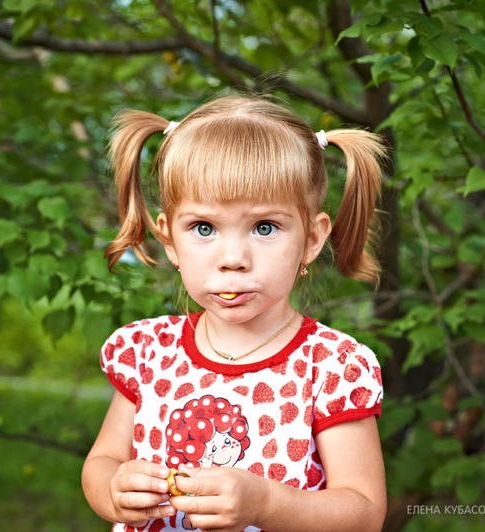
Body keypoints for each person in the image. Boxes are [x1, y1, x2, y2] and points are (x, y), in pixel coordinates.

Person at [82, 94, 388, 532]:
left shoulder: (331, 368)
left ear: (312, 239)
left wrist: (266, 503)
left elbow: (364, 513)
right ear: (169, 241)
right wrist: (114, 490)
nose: (233, 259)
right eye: (203, 228)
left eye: (265, 227)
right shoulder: (150, 352)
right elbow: (102, 461)